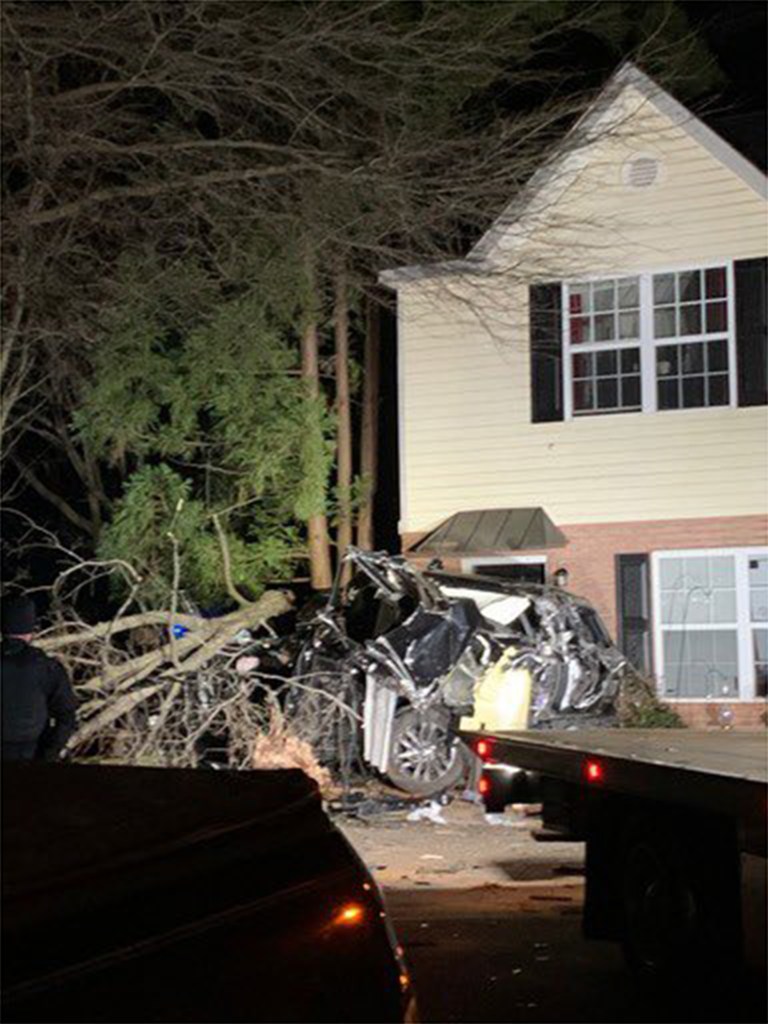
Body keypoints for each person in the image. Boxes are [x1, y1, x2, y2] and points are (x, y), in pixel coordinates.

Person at [1, 595, 77, 761]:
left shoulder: (45, 667)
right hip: (31, 756)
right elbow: (67, 717)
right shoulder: (47, 668)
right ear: (31, 629)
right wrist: (48, 755)